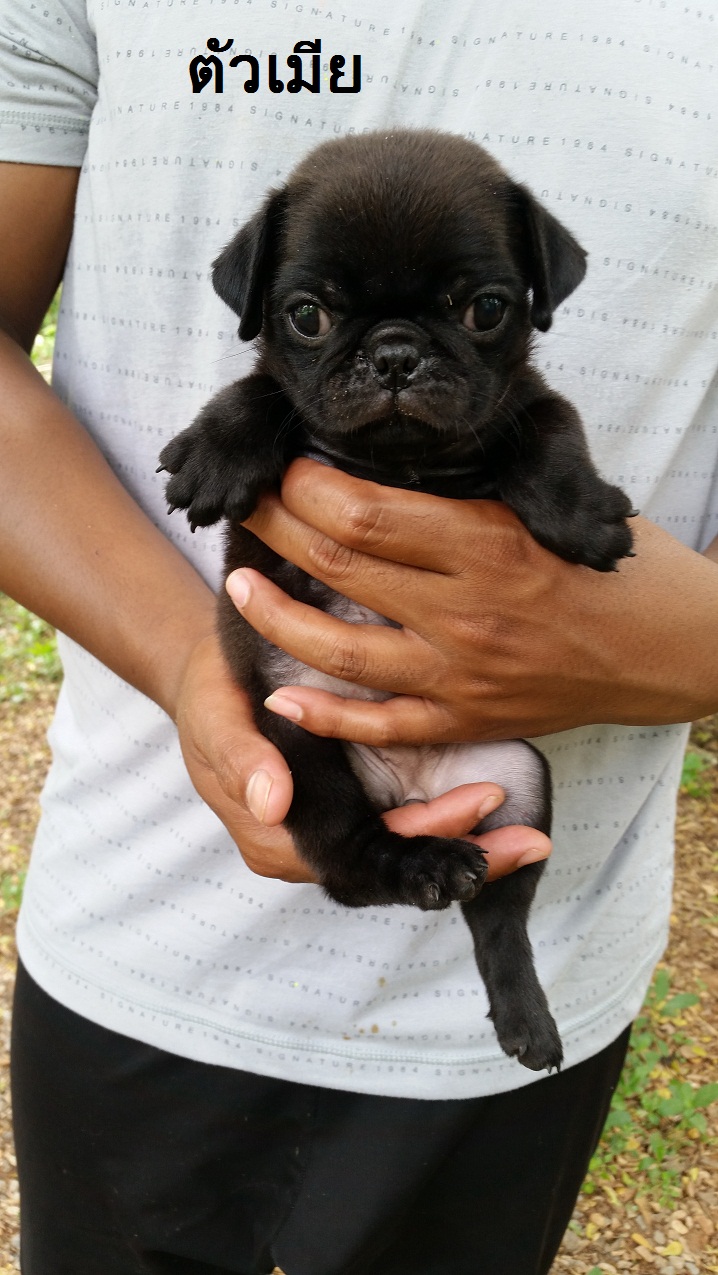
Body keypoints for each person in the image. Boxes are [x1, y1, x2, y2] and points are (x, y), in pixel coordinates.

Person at [1, 2, 717, 1272]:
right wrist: (184, 657)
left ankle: (496, 952)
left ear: (535, 292)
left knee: (507, 809)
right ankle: (378, 861)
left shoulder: (525, 407)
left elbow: (544, 437)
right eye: (316, 321)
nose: (393, 361)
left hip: (555, 927)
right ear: (261, 305)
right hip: (142, 933)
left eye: (476, 314)